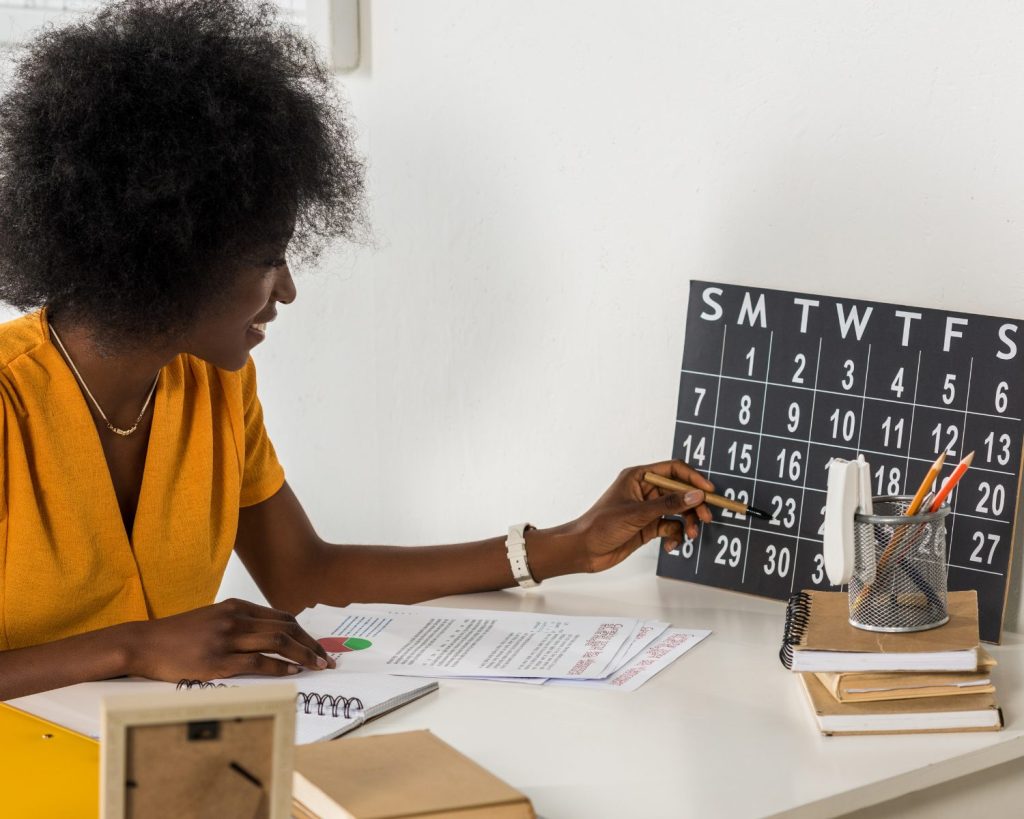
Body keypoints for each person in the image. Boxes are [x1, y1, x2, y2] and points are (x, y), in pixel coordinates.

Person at [0, 0, 713, 701]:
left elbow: (304, 574)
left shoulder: (216, 387)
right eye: (269, 259)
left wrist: (569, 544)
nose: (286, 290)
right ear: (171, 256)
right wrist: (132, 645)